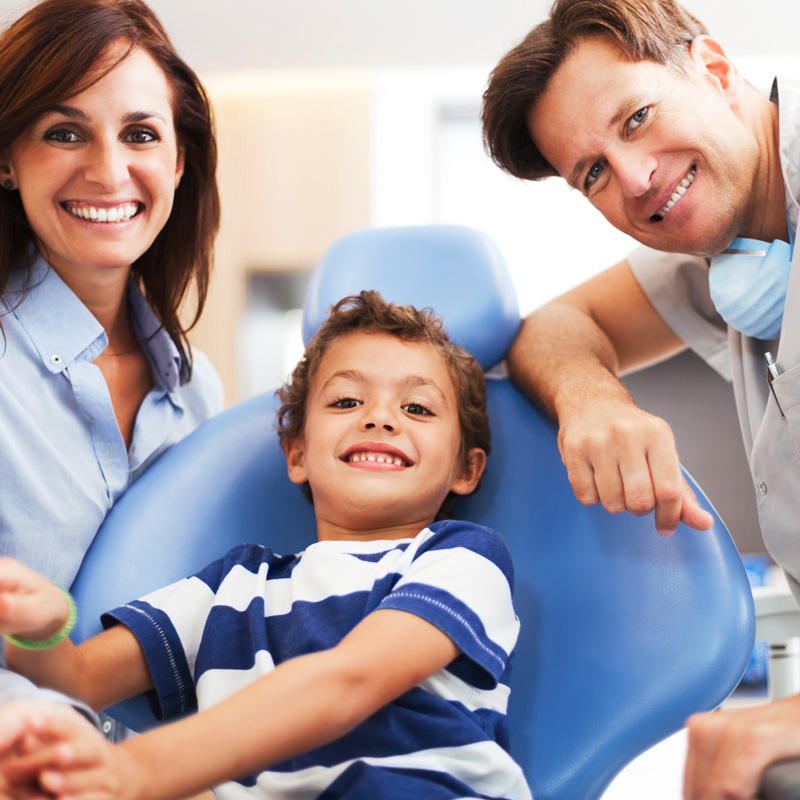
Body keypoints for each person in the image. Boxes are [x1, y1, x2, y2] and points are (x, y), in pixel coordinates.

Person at [0, 291, 531, 800]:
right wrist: (40, 633)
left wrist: (131, 773)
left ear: (467, 468)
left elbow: (349, 681)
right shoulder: (232, 588)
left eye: (417, 408)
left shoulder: (463, 558)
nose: (381, 417)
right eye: (347, 400)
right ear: (297, 452)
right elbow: (80, 681)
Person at [481, 0, 800, 796]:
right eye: (591, 172)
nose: (633, 178)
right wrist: (595, 399)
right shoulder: (733, 248)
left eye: (637, 118)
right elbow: (556, 327)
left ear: (716, 69)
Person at [0, 0, 222, 741]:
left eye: (140, 134)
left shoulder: (199, 393)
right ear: (6, 158)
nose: (108, 170)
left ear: (179, 159)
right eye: (64, 133)